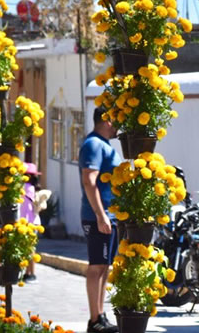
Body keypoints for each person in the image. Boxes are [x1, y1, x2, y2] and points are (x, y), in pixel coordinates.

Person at [79, 106, 121, 333]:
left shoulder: (104, 145)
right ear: (106, 119)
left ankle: (100, 315)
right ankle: (94, 320)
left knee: (104, 266)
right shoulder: (93, 145)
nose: (119, 124)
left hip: (109, 215)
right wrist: (100, 215)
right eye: (116, 118)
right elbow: (89, 181)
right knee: (96, 266)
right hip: (98, 216)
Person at [21, 163, 45, 282]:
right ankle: (28, 272)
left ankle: (30, 273)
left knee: (28, 248)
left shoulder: (26, 187)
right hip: (33, 221)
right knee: (30, 247)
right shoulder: (34, 188)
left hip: (26, 221)